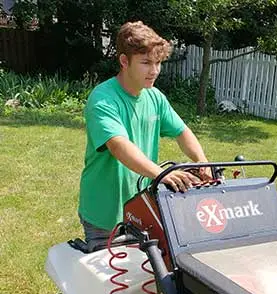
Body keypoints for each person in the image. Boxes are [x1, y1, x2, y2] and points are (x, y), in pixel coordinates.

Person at [78, 21, 210, 245]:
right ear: (124, 61)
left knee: (142, 275)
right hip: (104, 215)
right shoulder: (103, 99)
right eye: (146, 62)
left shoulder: (155, 97)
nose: (155, 71)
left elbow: (182, 131)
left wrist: (202, 161)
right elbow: (119, 146)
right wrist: (161, 174)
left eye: (158, 62)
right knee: (109, 277)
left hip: (141, 208)